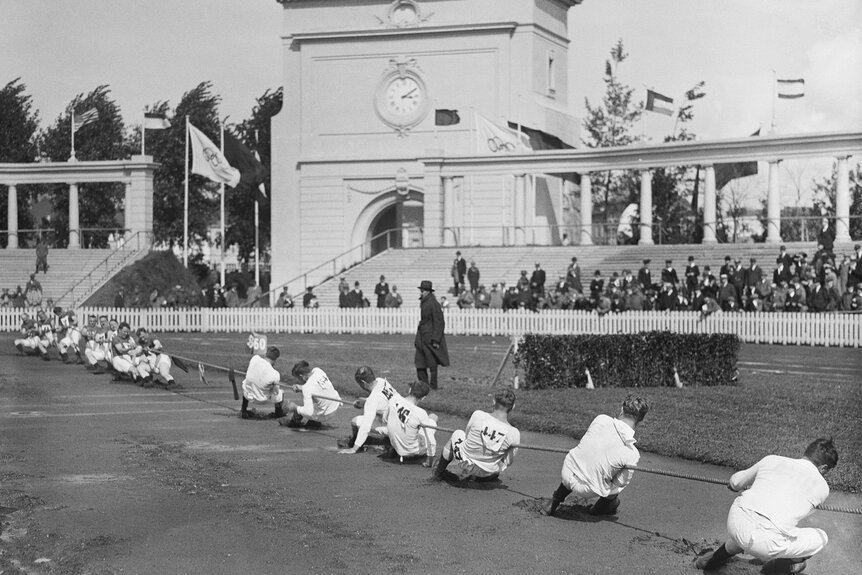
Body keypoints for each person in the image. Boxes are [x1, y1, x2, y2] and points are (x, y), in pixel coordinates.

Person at [695, 438, 838, 574]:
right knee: (821, 537)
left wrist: (735, 485)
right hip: (768, 544)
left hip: (735, 522)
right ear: (824, 468)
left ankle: (712, 559)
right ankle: (787, 565)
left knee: (753, 525)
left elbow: (735, 483)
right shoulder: (823, 488)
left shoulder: (772, 459)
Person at [540, 395, 650, 518]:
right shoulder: (632, 453)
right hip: (589, 490)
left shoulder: (601, 419)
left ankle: (554, 501)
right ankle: (600, 507)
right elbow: (619, 484)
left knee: (582, 459)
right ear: (641, 421)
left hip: (566, 472)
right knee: (618, 482)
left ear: (621, 410)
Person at [431, 387, 519, 483]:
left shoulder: (478, 415)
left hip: (465, 461)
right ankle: (483, 478)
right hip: (489, 469)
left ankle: (438, 474)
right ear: (513, 406)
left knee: (458, 433)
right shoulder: (514, 433)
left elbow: (467, 436)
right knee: (499, 462)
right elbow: (508, 462)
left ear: (493, 401)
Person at [338, 366, 402, 453]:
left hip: (393, 429)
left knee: (355, 421)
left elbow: (365, 426)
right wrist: (364, 402)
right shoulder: (381, 381)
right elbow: (383, 400)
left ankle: (369, 444)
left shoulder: (372, 401)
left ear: (363, 382)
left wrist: (353, 449)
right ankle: (388, 440)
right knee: (382, 416)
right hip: (403, 420)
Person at [378, 380, 438, 465]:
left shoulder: (394, 398)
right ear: (423, 398)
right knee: (433, 417)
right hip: (412, 452)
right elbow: (431, 441)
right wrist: (429, 461)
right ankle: (423, 458)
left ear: (410, 390)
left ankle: (393, 448)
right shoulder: (421, 412)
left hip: (395, 445)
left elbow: (385, 419)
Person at [279, 360, 341, 429]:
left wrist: (295, 407)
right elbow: (317, 387)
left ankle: (294, 423)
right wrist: (301, 387)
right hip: (336, 403)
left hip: (326, 413)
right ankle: (313, 423)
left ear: (301, 376)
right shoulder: (318, 371)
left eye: (297, 378)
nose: (297, 380)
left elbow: (308, 412)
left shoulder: (307, 388)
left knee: (301, 408)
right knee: (313, 404)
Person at [414, 280, 449, 390]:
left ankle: (433, 386)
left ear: (428, 291)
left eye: (422, 290)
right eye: (421, 290)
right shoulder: (425, 301)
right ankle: (424, 384)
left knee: (432, 363)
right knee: (420, 362)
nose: (421, 292)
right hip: (422, 337)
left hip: (430, 338)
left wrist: (436, 339)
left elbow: (439, 322)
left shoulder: (433, 303)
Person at [240, 346, 286, 420]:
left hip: (247, 395)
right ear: (276, 359)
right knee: (280, 393)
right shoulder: (275, 374)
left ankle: (243, 410)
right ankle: (278, 413)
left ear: (266, 354)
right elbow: (276, 392)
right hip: (262, 400)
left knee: (245, 382)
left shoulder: (254, 359)